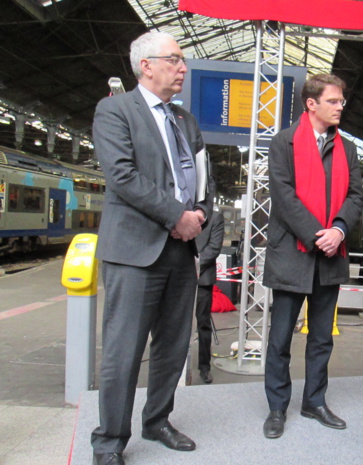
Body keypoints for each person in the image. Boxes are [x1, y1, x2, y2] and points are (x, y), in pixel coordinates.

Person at [90, 31, 215, 465]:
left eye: (183, 61)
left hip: (182, 251)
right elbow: (123, 176)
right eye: (175, 60)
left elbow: (203, 178)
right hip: (135, 252)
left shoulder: (186, 120)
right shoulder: (115, 110)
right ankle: (108, 441)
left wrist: (198, 215)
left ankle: (157, 420)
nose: (184, 68)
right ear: (146, 65)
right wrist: (175, 216)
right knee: (124, 351)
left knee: (172, 346)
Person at [261, 74, 363, 439]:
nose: (340, 107)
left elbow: (356, 196)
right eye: (333, 101)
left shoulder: (347, 149)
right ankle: (277, 407)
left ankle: (314, 401)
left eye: (341, 101)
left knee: (322, 337)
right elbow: (283, 197)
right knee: (281, 337)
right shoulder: (283, 142)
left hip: (330, 254)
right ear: (311, 104)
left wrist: (337, 230)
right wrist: (316, 235)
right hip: (292, 252)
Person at [195, 210, 225, 384]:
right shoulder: (180, 210)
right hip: (176, 275)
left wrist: (193, 264)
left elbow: (214, 247)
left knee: (203, 323)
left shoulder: (215, 217)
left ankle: (204, 367)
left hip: (203, 276)